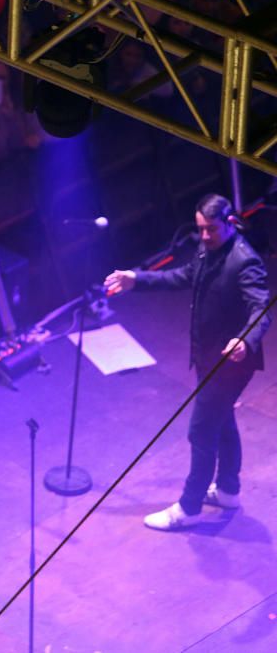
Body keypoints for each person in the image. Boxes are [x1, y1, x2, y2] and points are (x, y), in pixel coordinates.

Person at [104, 194, 271, 531]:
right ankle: (227, 491)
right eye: (200, 229)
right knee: (222, 423)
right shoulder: (206, 249)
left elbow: (261, 308)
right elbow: (182, 277)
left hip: (230, 362)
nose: (205, 236)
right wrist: (137, 279)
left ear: (229, 222)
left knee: (201, 431)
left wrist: (245, 338)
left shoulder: (244, 261)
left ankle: (189, 507)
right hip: (209, 356)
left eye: (211, 229)